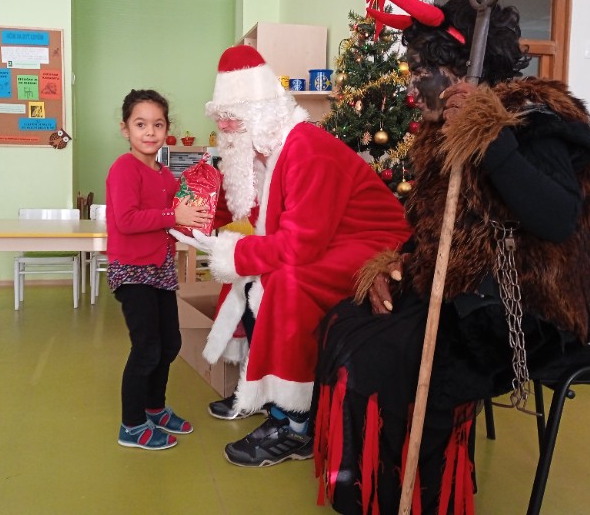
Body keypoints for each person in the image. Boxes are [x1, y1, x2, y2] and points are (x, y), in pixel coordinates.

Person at [312, 0, 590, 513]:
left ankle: (421, 497)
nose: (412, 84)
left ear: (460, 71)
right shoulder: (440, 131)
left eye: (422, 71)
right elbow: (438, 227)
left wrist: (490, 137)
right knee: (346, 324)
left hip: (531, 304)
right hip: (471, 290)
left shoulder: (539, 118)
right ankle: (367, 492)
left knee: (393, 356)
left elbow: (556, 219)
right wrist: (395, 263)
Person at [172, 45, 411, 467]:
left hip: (377, 245)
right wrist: (193, 218)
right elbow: (241, 210)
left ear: (263, 113)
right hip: (330, 238)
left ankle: (294, 422)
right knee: (248, 274)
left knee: (288, 280)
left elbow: (299, 247)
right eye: (221, 117)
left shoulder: (305, 148)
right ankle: (261, 390)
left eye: (234, 117)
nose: (225, 127)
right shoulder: (261, 154)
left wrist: (236, 252)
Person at [106, 88, 210, 450]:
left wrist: (201, 206)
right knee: (147, 347)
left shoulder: (166, 176)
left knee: (169, 344)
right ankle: (132, 425)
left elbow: (179, 216)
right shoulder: (124, 168)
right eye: (140, 124)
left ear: (167, 129)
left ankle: (154, 407)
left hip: (161, 270)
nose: (149, 132)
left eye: (158, 124)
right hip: (132, 271)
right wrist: (173, 214)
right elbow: (128, 219)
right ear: (125, 129)